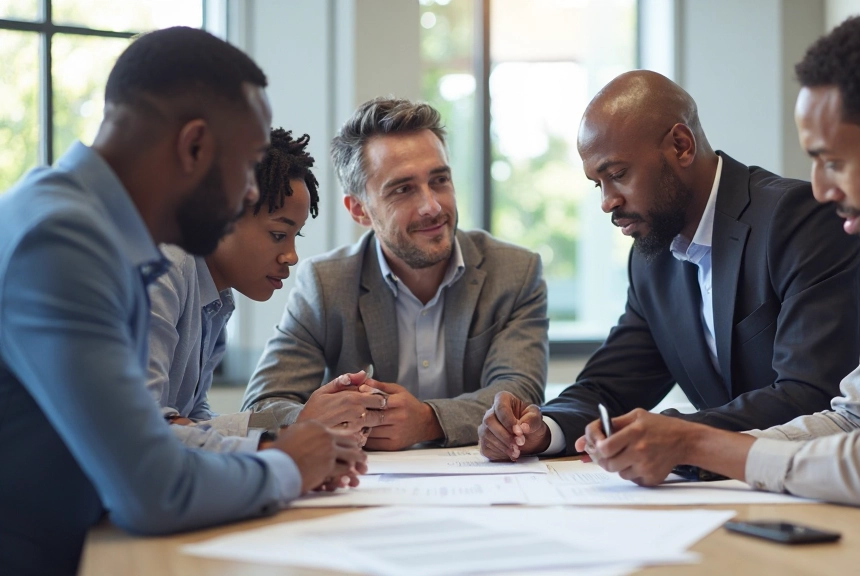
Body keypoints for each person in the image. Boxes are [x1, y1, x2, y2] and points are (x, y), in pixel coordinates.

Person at [582, 6, 860, 537]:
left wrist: (698, 443)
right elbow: (857, 419)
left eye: (832, 161)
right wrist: (697, 448)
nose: (820, 189)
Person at [0, 27, 365, 574]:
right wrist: (286, 464)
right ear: (193, 146)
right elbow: (153, 488)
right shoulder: (63, 242)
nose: (249, 194)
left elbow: (155, 441)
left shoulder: (86, 226)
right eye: (247, 167)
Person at [479, 70, 860, 463]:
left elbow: (810, 395)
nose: (607, 201)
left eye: (618, 174)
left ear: (681, 146)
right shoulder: (650, 258)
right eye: (597, 184)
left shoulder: (801, 220)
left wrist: (677, 436)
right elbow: (610, 386)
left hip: (839, 488)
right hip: (732, 497)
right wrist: (543, 428)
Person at [242, 97, 548, 450]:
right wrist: (323, 416)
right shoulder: (326, 283)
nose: (432, 206)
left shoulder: (515, 272)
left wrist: (429, 420)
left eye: (440, 180)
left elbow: (518, 395)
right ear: (359, 210)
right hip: (367, 490)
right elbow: (261, 407)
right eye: (403, 189)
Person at [148, 127, 373, 452]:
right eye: (279, 234)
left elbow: (192, 425)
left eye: (297, 237)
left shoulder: (216, 301)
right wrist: (279, 447)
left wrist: (298, 426)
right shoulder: (166, 265)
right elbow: (144, 429)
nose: (292, 257)